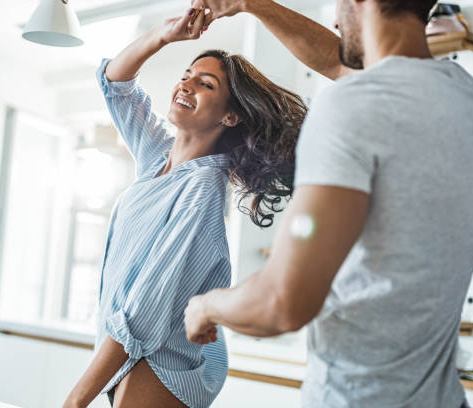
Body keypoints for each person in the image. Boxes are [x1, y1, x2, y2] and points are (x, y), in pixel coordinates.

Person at [185, 0, 473, 407]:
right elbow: (343, 61)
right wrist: (251, 4)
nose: (333, 19)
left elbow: (281, 303)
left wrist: (206, 306)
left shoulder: (353, 104)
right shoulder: (467, 98)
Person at [62, 7, 324, 408]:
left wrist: (74, 401)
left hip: (156, 364)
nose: (186, 85)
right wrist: (163, 36)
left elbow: (142, 314)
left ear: (231, 115)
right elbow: (115, 83)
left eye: (205, 84)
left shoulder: (201, 192)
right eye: (186, 75)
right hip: (132, 357)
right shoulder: (157, 158)